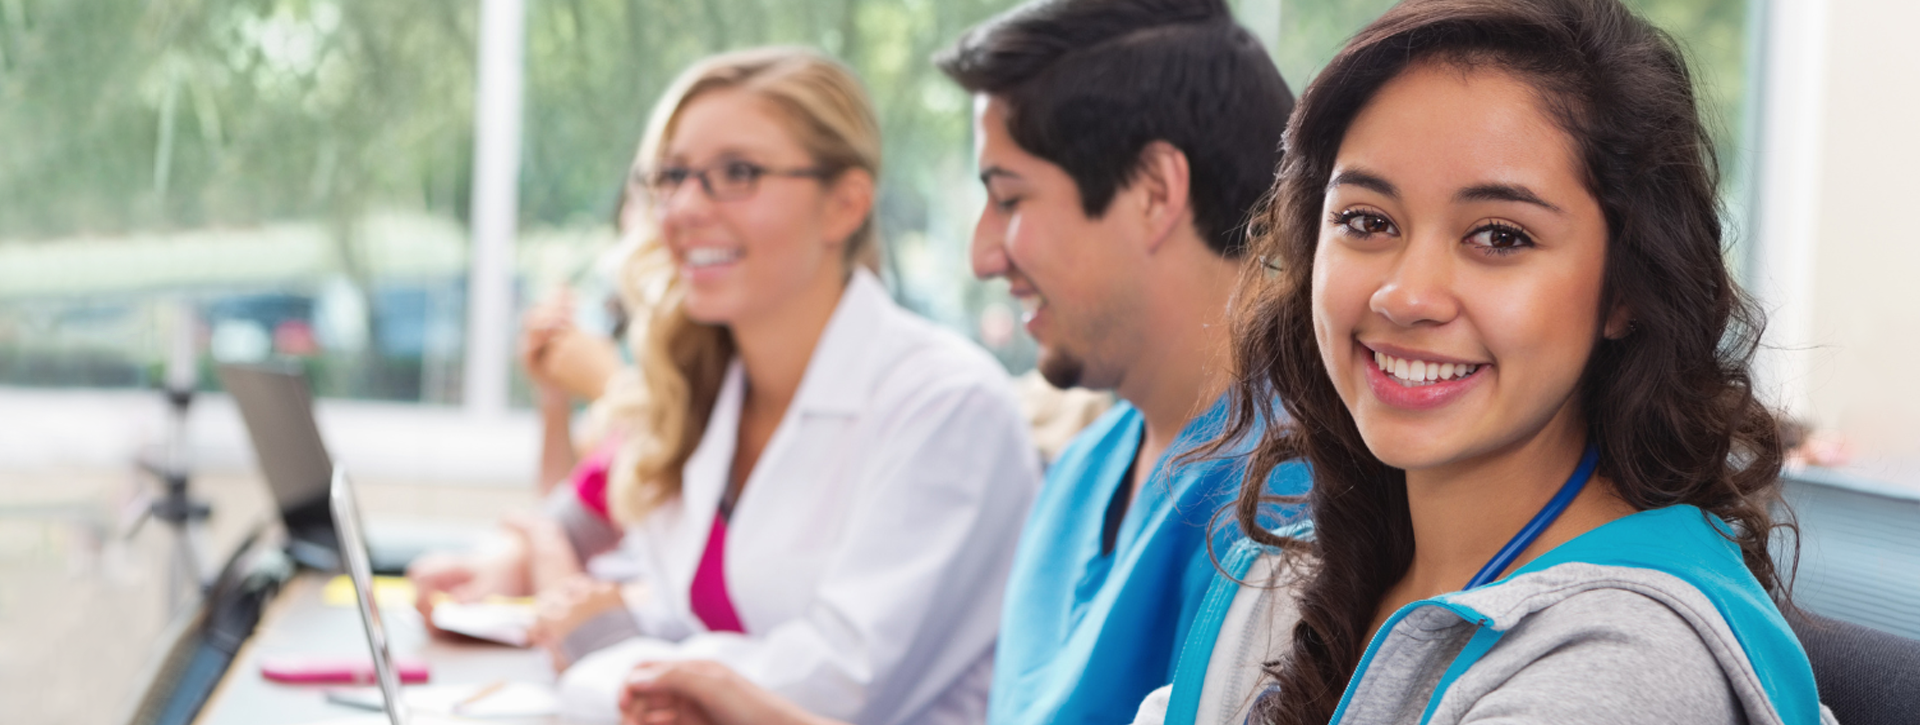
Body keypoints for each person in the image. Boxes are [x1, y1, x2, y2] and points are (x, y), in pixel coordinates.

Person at [1132, 0, 1829, 723]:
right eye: (1367, 221)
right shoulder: (1285, 584)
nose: (1405, 296)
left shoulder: (1625, 661)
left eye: (1499, 236)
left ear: (1626, 287)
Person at [619, 1, 1308, 723]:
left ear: (1154, 192)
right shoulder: (1084, 474)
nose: (982, 254)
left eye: (1008, 197)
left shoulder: (1291, 508)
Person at [412, 46, 1044, 725]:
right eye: (672, 174)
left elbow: (829, 687)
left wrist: (609, 636)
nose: (682, 207)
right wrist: (610, 619)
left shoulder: (946, 404)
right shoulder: (716, 390)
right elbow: (693, 619)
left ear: (845, 205)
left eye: (737, 173)